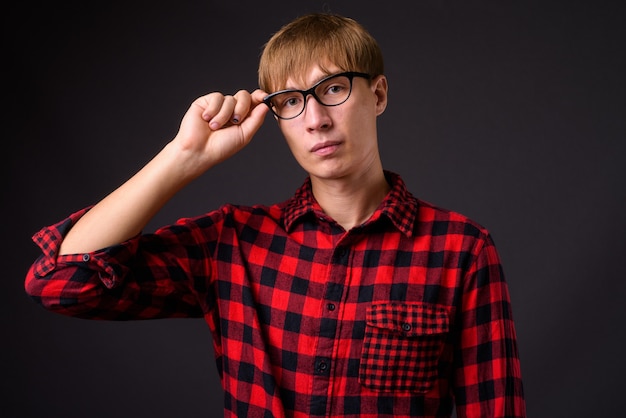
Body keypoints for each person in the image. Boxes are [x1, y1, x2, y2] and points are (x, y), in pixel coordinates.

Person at [25, 12, 526, 418]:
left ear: (378, 94)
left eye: (332, 89)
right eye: (291, 101)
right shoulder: (234, 241)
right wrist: (183, 158)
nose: (315, 119)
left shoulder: (462, 249)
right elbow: (63, 283)